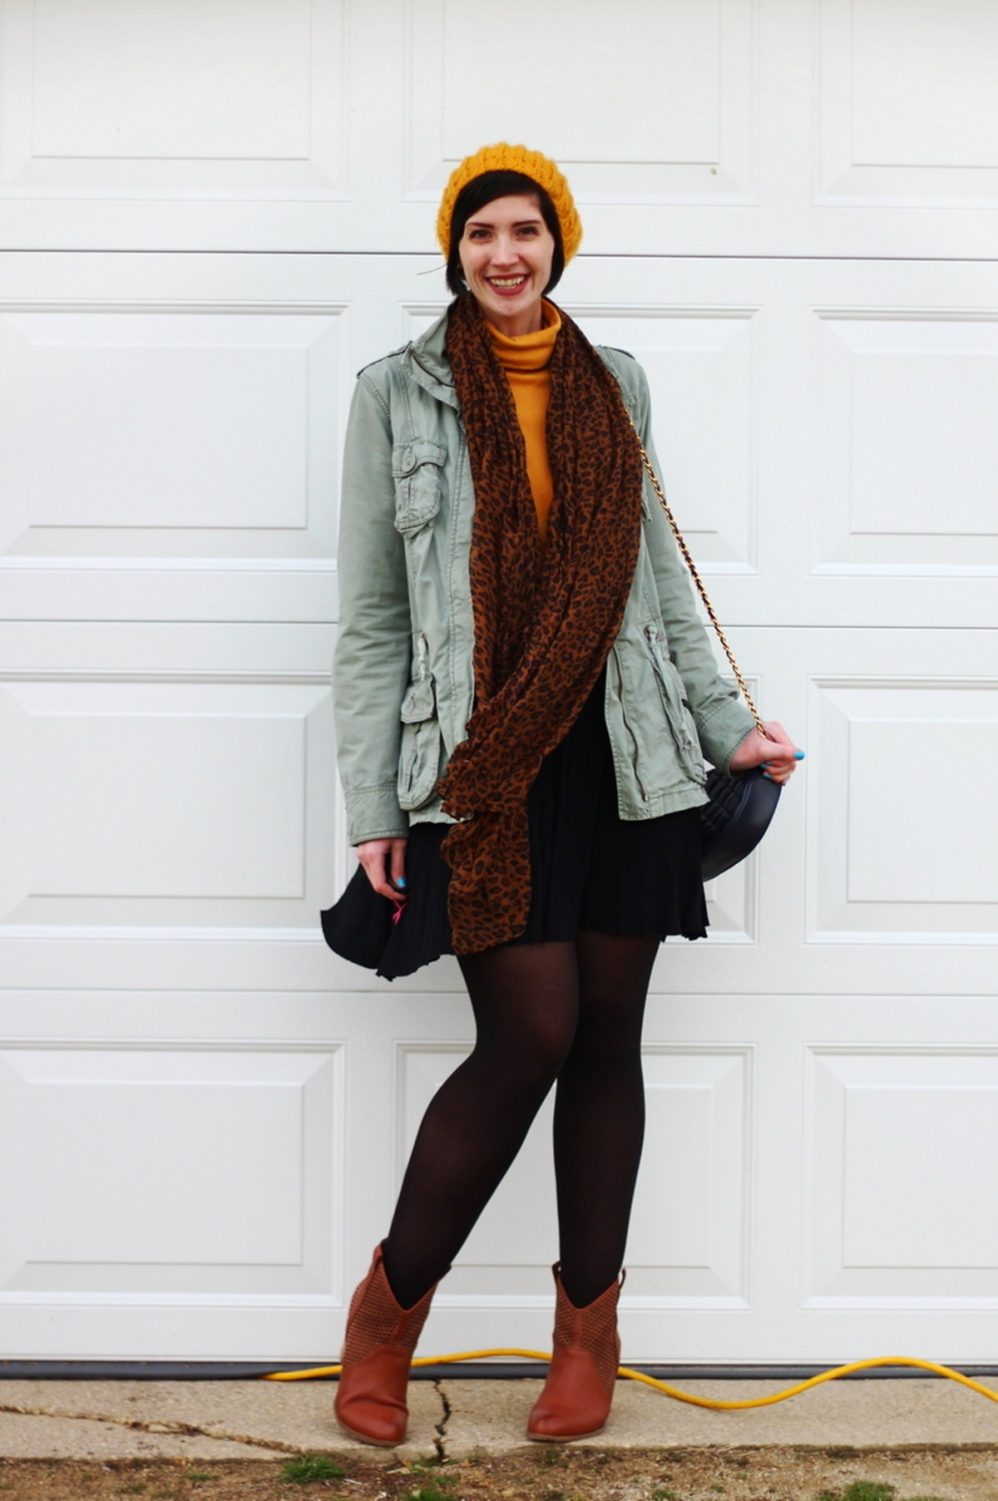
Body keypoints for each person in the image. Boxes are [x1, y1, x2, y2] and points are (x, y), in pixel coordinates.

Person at [330, 143, 802, 1447]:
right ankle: (387, 1312)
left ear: (557, 244)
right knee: (525, 1033)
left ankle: (586, 1330)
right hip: (485, 763)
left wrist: (728, 728)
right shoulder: (393, 395)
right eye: (480, 231)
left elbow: (653, 578)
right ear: (454, 249)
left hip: (624, 752)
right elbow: (372, 618)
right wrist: (376, 799)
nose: (503, 254)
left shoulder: (616, 382)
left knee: (604, 1038)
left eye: (524, 230)